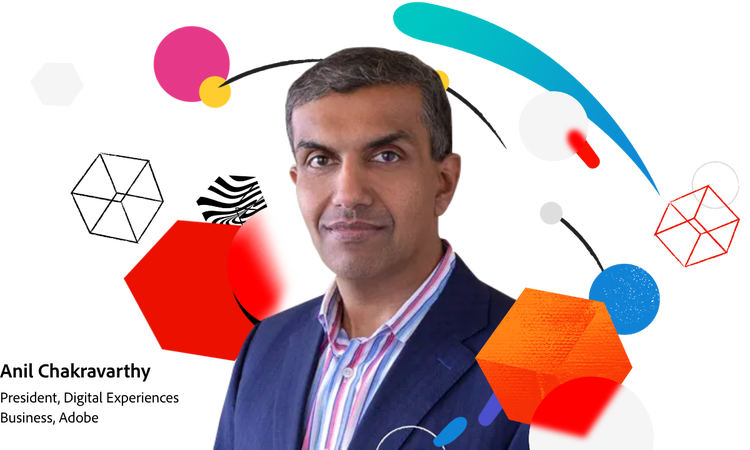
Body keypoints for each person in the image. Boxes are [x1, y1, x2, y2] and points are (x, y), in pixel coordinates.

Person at [213, 45, 530, 450]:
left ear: (445, 182)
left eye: (385, 156)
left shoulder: (548, 358)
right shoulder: (265, 346)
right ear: (296, 181)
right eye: (320, 160)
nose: (348, 194)